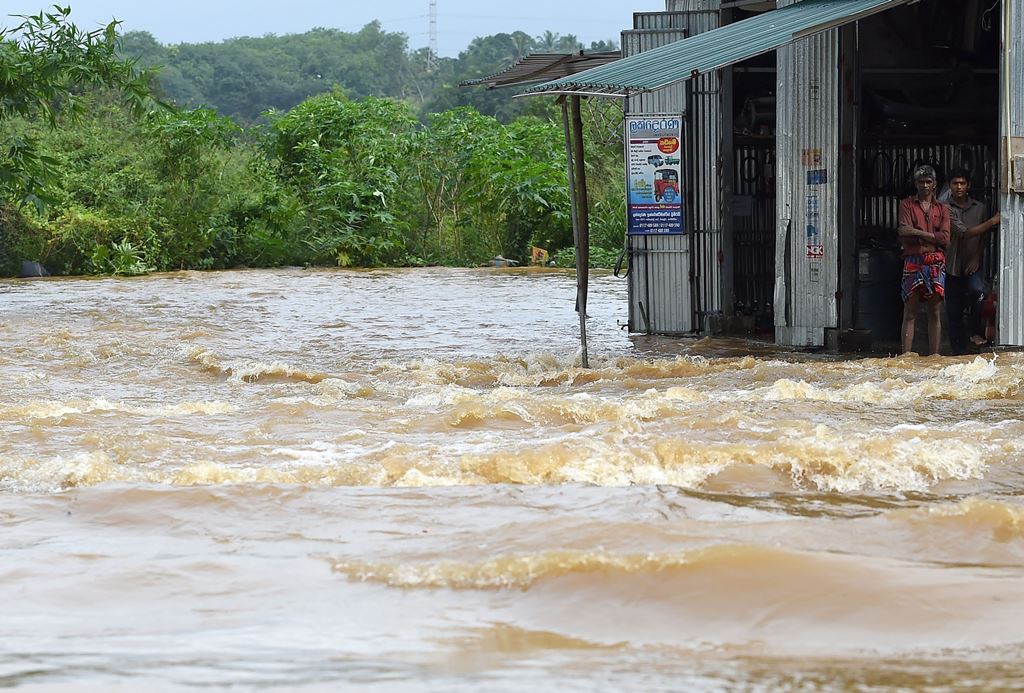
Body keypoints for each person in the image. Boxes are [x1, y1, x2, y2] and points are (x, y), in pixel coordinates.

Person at [944, 168, 1000, 353]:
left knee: (978, 292)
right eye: (955, 183)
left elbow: (983, 237)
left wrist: (977, 257)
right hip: (951, 264)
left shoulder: (980, 208)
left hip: (972, 261)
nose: (959, 187)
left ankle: (974, 331)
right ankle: (956, 352)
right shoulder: (944, 208)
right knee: (954, 310)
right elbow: (964, 233)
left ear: (968, 186)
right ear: (950, 186)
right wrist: (992, 221)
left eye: (962, 183)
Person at [897, 165, 950, 355]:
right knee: (909, 313)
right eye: (921, 182)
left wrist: (916, 232)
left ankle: (935, 356)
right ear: (915, 184)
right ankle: (906, 357)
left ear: (935, 185)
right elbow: (903, 234)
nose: (925, 185)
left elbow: (945, 238)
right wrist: (932, 236)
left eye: (928, 182)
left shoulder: (942, 208)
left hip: (935, 262)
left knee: (934, 313)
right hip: (914, 260)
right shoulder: (906, 205)